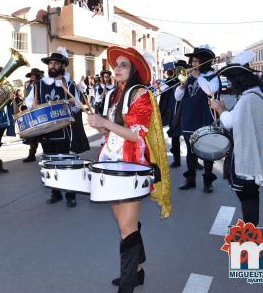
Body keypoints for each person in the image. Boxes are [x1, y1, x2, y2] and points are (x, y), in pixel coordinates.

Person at [88, 46, 170, 293]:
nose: (118, 69)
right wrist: (102, 126)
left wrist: (105, 123)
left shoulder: (140, 95)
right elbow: (113, 130)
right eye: (116, 65)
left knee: (126, 226)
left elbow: (135, 137)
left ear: (134, 70)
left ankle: (128, 284)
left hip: (132, 166)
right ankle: (137, 270)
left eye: (124, 65)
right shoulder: (114, 94)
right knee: (125, 223)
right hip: (111, 162)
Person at [209, 52, 263, 225]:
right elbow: (237, 118)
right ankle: (250, 226)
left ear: (241, 81)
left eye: (234, 81)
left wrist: (219, 109)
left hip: (246, 153)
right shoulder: (257, 95)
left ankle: (250, 230)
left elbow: (229, 122)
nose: (233, 85)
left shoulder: (248, 99)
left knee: (247, 194)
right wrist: (225, 109)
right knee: (250, 194)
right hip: (254, 149)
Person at [24, 48, 82, 207]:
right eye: (51, 63)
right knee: (49, 161)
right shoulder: (40, 84)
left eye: (56, 63)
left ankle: (70, 194)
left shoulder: (69, 84)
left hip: (63, 129)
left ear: (63, 66)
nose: (53, 65)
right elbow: (29, 103)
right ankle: (55, 192)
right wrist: (32, 105)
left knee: (65, 161)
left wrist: (72, 104)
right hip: (46, 129)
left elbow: (77, 107)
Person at [175, 48, 220, 193]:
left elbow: (210, 91)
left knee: (207, 153)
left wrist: (198, 76)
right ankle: (190, 180)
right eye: (192, 61)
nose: (193, 63)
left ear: (204, 62)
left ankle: (208, 182)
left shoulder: (212, 76)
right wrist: (182, 85)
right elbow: (177, 97)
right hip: (188, 119)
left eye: (197, 61)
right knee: (190, 152)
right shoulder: (187, 76)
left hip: (205, 119)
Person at [158, 60, 188, 168]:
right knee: (175, 136)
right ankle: (176, 159)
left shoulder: (185, 79)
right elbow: (162, 89)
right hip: (173, 111)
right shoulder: (169, 82)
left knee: (189, 136)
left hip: (185, 110)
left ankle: (195, 161)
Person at [21, 68, 44, 163]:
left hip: (43, 112)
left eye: (33, 75)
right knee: (34, 135)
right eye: (31, 76)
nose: (32, 77)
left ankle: (47, 153)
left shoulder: (42, 85)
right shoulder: (32, 86)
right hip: (34, 113)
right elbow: (29, 100)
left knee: (45, 134)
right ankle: (32, 154)